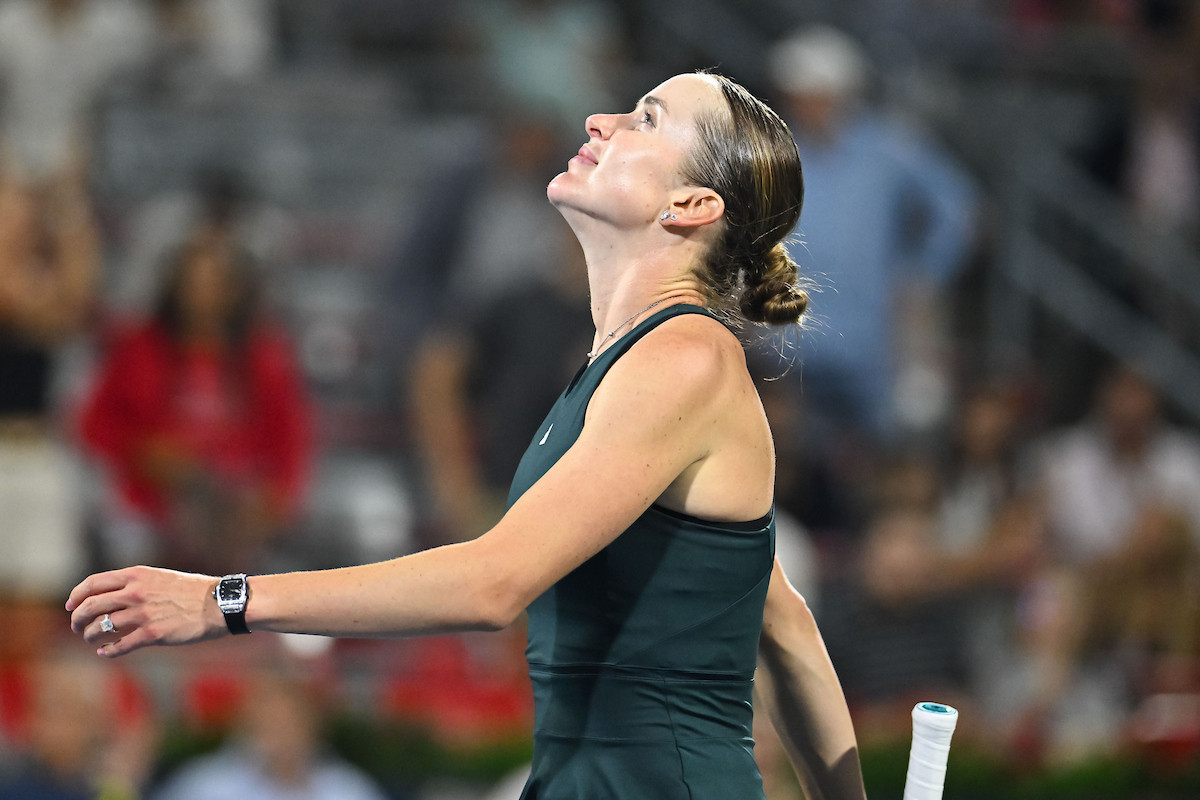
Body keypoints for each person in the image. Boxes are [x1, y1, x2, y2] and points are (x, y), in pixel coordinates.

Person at [68, 71, 867, 800]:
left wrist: (224, 599)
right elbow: (780, 623)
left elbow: (493, 586)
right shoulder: (637, 365)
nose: (602, 120)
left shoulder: (683, 359)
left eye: (647, 119)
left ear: (690, 206)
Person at [78, 222, 314, 574]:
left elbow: (290, 439)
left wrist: (272, 501)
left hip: (234, 508)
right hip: (148, 506)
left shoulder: (264, 357)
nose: (202, 295)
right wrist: (144, 453)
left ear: (237, 289)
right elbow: (95, 424)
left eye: (215, 283)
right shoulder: (139, 348)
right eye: (193, 281)